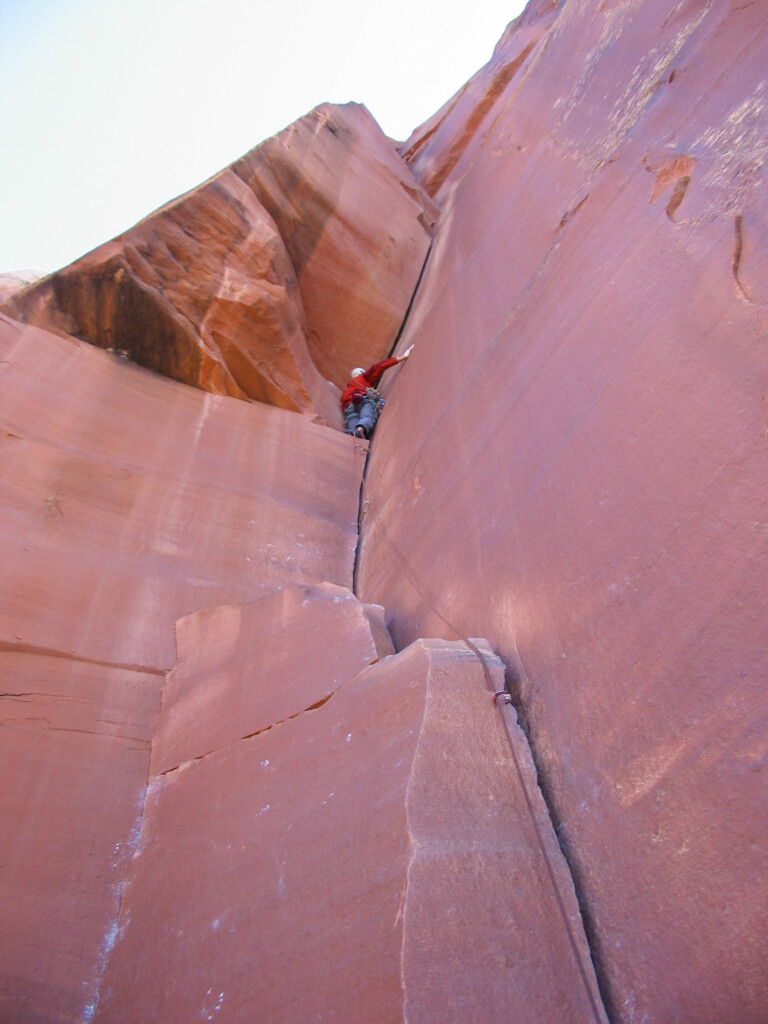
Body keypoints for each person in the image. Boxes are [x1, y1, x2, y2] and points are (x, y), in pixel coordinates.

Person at [340, 345, 413, 438]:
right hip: (364, 399)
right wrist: (403, 357)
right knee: (368, 416)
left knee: (352, 419)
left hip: (349, 408)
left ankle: (352, 432)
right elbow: (378, 367)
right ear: (361, 373)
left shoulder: (345, 392)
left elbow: (346, 410)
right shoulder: (363, 378)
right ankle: (360, 430)